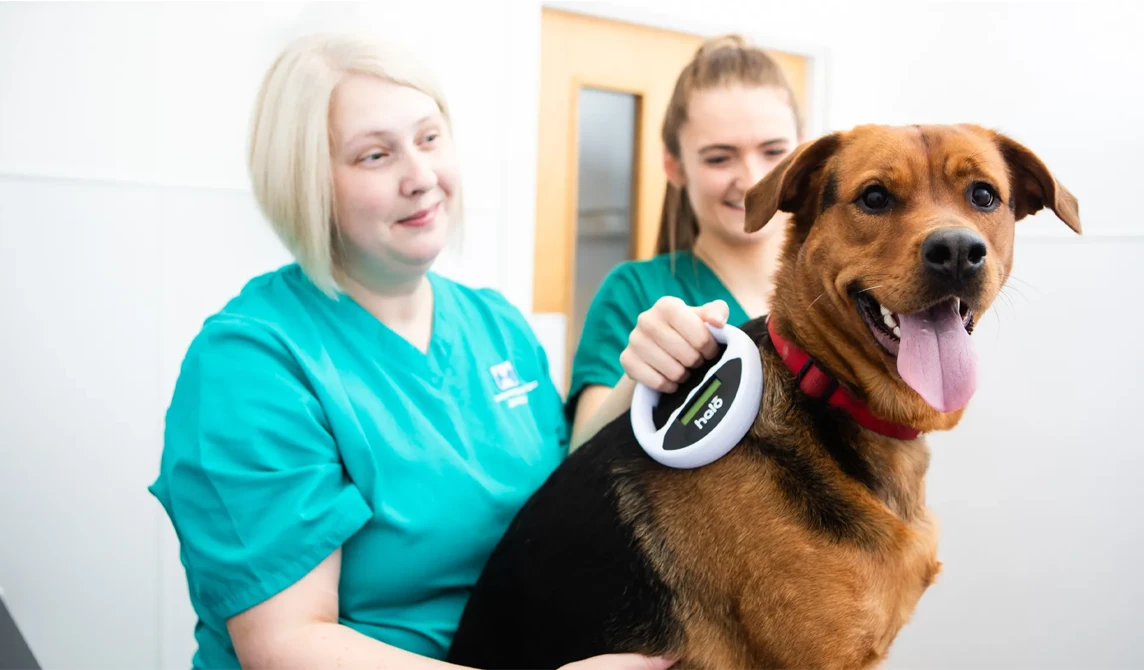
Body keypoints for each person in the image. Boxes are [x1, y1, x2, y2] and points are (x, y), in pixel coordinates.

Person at [149, 33, 713, 670]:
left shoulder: (494, 324)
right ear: (305, 182)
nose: (420, 178)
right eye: (374, 156)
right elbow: (287, 645)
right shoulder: (252, 365)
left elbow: (554, 499)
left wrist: (645, 380)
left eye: (428, 138)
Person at [567, 35, 806, 448]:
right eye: (719, 157)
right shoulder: (634, 292)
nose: (751, 180)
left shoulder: (838, 290)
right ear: (674, 167)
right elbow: (580, 457)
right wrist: (639, 378)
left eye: (773, 151)